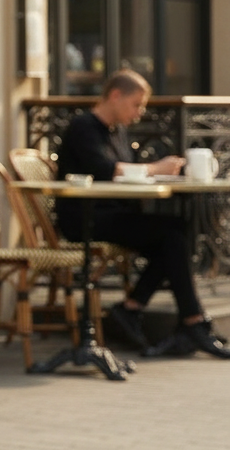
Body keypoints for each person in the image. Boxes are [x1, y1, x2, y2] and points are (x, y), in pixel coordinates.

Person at [55, 69, 230, 359]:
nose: (140, 112)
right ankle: (189, 324)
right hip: (86, 220)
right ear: (115, 95)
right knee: (172, 235)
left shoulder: (118, 131)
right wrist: (156, 169)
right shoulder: (83, 127)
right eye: (136, 104)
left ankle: (138, 311)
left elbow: (128, 174)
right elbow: (106, 171)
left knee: (176, 235)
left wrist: (164, 175)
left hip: (115, 215)